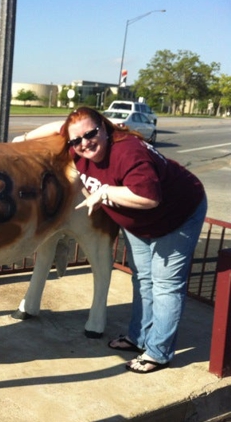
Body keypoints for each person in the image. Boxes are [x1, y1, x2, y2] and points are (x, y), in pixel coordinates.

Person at [14, 107, 207, 374]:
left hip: (177, 214)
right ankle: (138, 337)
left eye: (91, 133)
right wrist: (23, 139)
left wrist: (104, 193)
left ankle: (158, 352)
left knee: (165, 285)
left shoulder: (127, 152)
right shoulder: (79, 145)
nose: (84, 143)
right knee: (142, 278)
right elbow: (61, 126)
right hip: (139, 221)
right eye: (76, 139)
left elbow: (150, 197)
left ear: (104, 128)